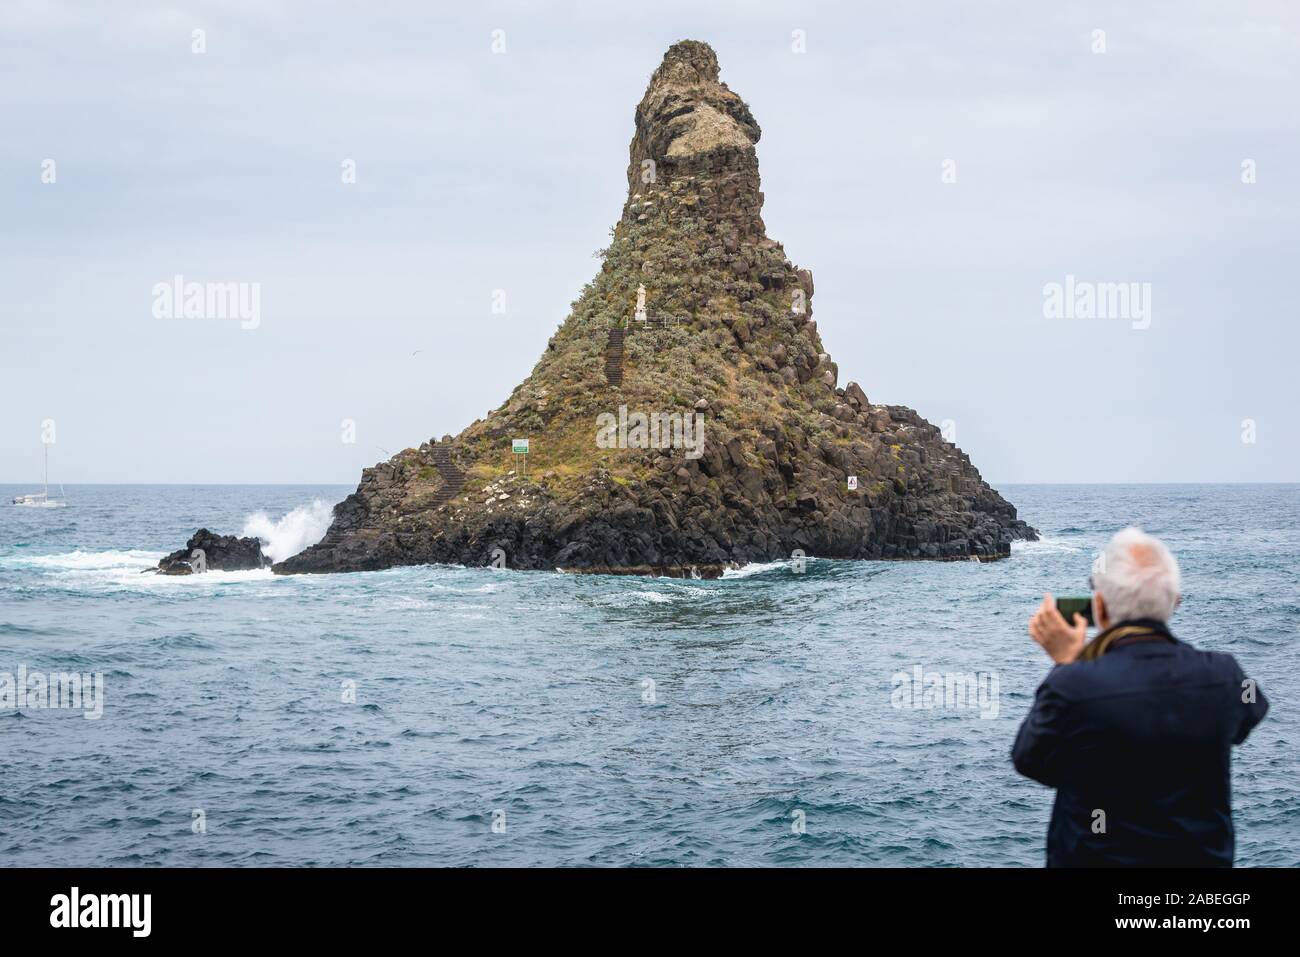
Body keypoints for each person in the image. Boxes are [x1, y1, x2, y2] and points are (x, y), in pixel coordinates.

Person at [1012, 527, 1268, 867]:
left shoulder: (1073, 686)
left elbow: (1031, 760)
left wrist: (1068, 664)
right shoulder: (1225, 676)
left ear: (1099, 607)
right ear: (1174, 601)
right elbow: (1247, 716)